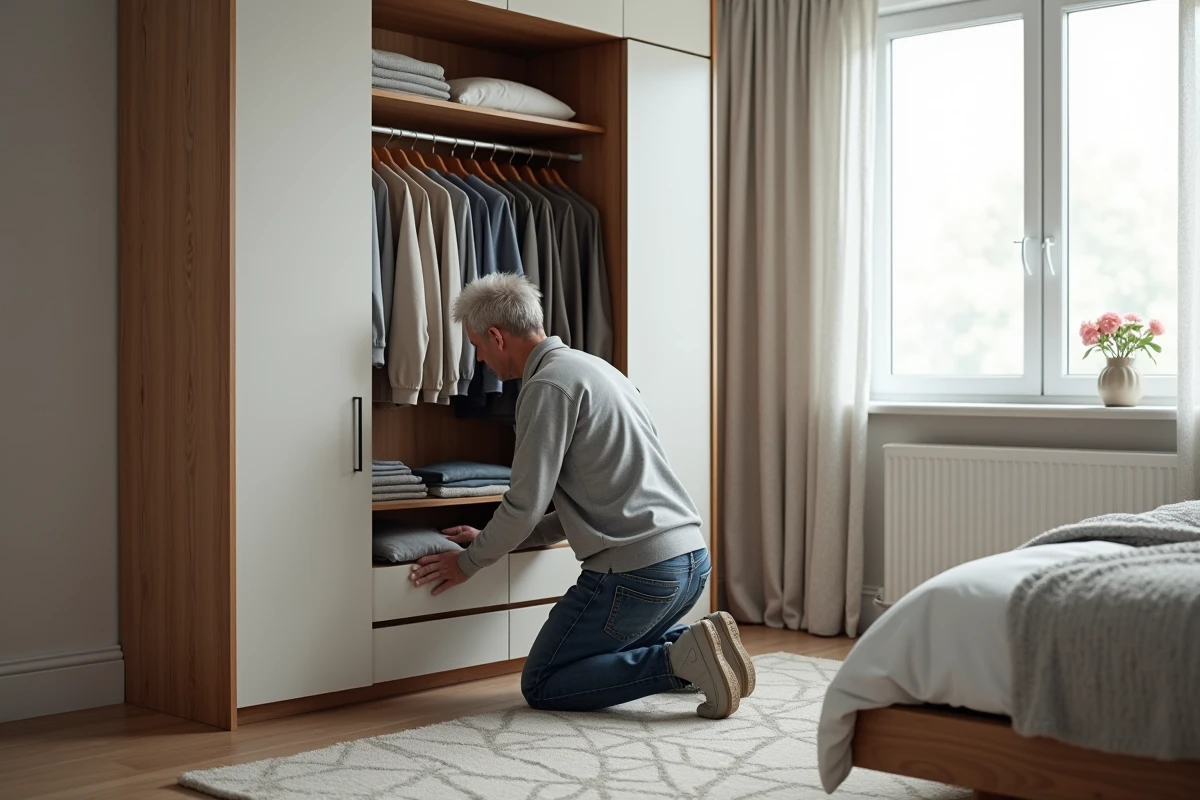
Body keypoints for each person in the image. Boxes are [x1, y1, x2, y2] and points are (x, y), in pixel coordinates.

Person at [407, 273, 755, 719]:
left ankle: (677, 662)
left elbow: (524, 504)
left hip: (639, 576)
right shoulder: (601, 371)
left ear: (497, 336)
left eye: (477, 344)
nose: (479, 358)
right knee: (602, 653)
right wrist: (495, 538)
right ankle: (705, 647)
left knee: (544, 681)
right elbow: (595, 503)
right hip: (689, 562)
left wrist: (467, 563)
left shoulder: (547, 386)